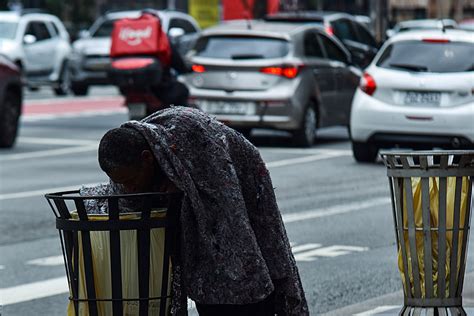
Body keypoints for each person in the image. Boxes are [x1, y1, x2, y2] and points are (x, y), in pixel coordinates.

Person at [85, 106, 308, 315]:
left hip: (235, 184)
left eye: (132, 181)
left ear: (147, 159)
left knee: (244, 277)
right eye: (122, 183)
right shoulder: (124, 163)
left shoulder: (191, 136)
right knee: (208, 289)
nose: (129, 188)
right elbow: (123, 204)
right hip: (195, 207)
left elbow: (227, 211)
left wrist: (182, 185)